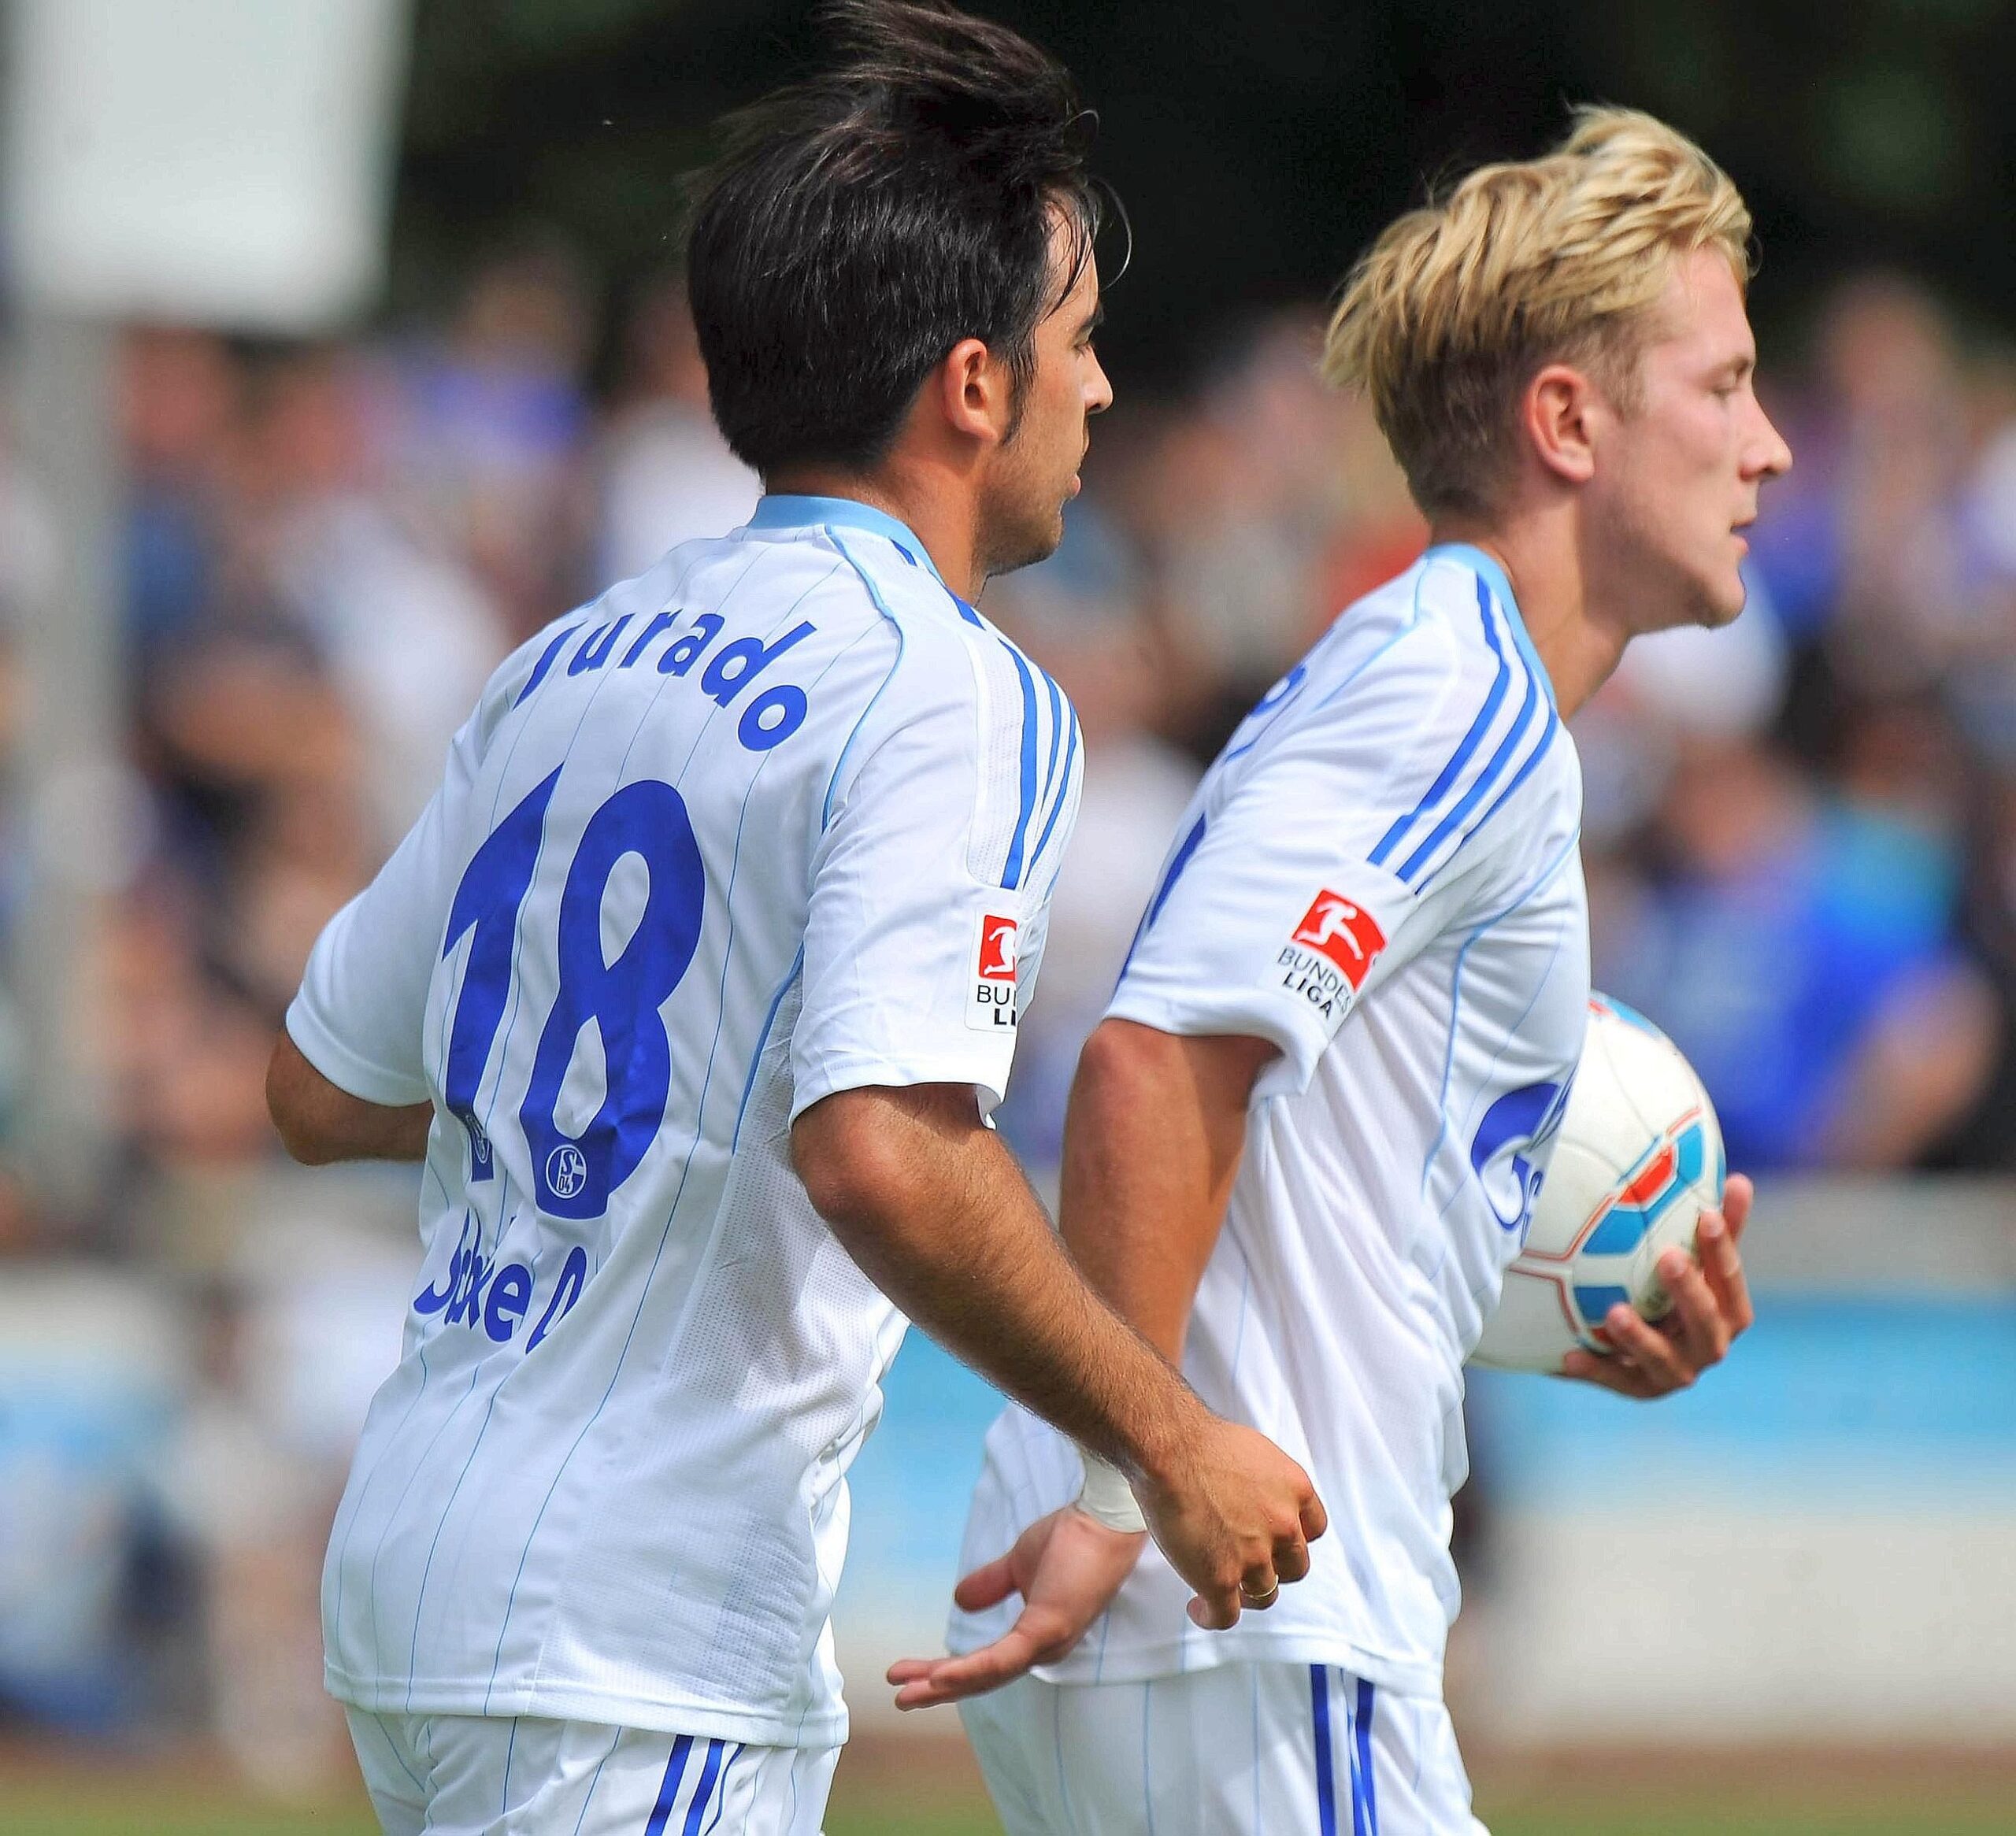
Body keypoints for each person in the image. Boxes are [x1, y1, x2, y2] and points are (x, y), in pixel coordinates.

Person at [262, 6, 1323, 1833]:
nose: (1106, 393)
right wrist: (1166, 1440)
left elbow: (317, 1086)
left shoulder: (565, 658)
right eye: (1079, 346)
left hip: (423, 1560)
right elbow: (884, 1155)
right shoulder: (953, 688)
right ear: (972, 386)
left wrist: (639, 1104)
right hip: (638, 1614)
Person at [895, 106, 1787, 1834]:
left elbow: (1304, 1144)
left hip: (1214, 1615)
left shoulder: (1437, 680)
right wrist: (1118, 1477)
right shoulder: (1451, 686)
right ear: (1564, 424)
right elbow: (1154, 1061)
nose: (1767, 447)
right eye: (1723, 383)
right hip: (1239, 1615)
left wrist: (1572, 1294)